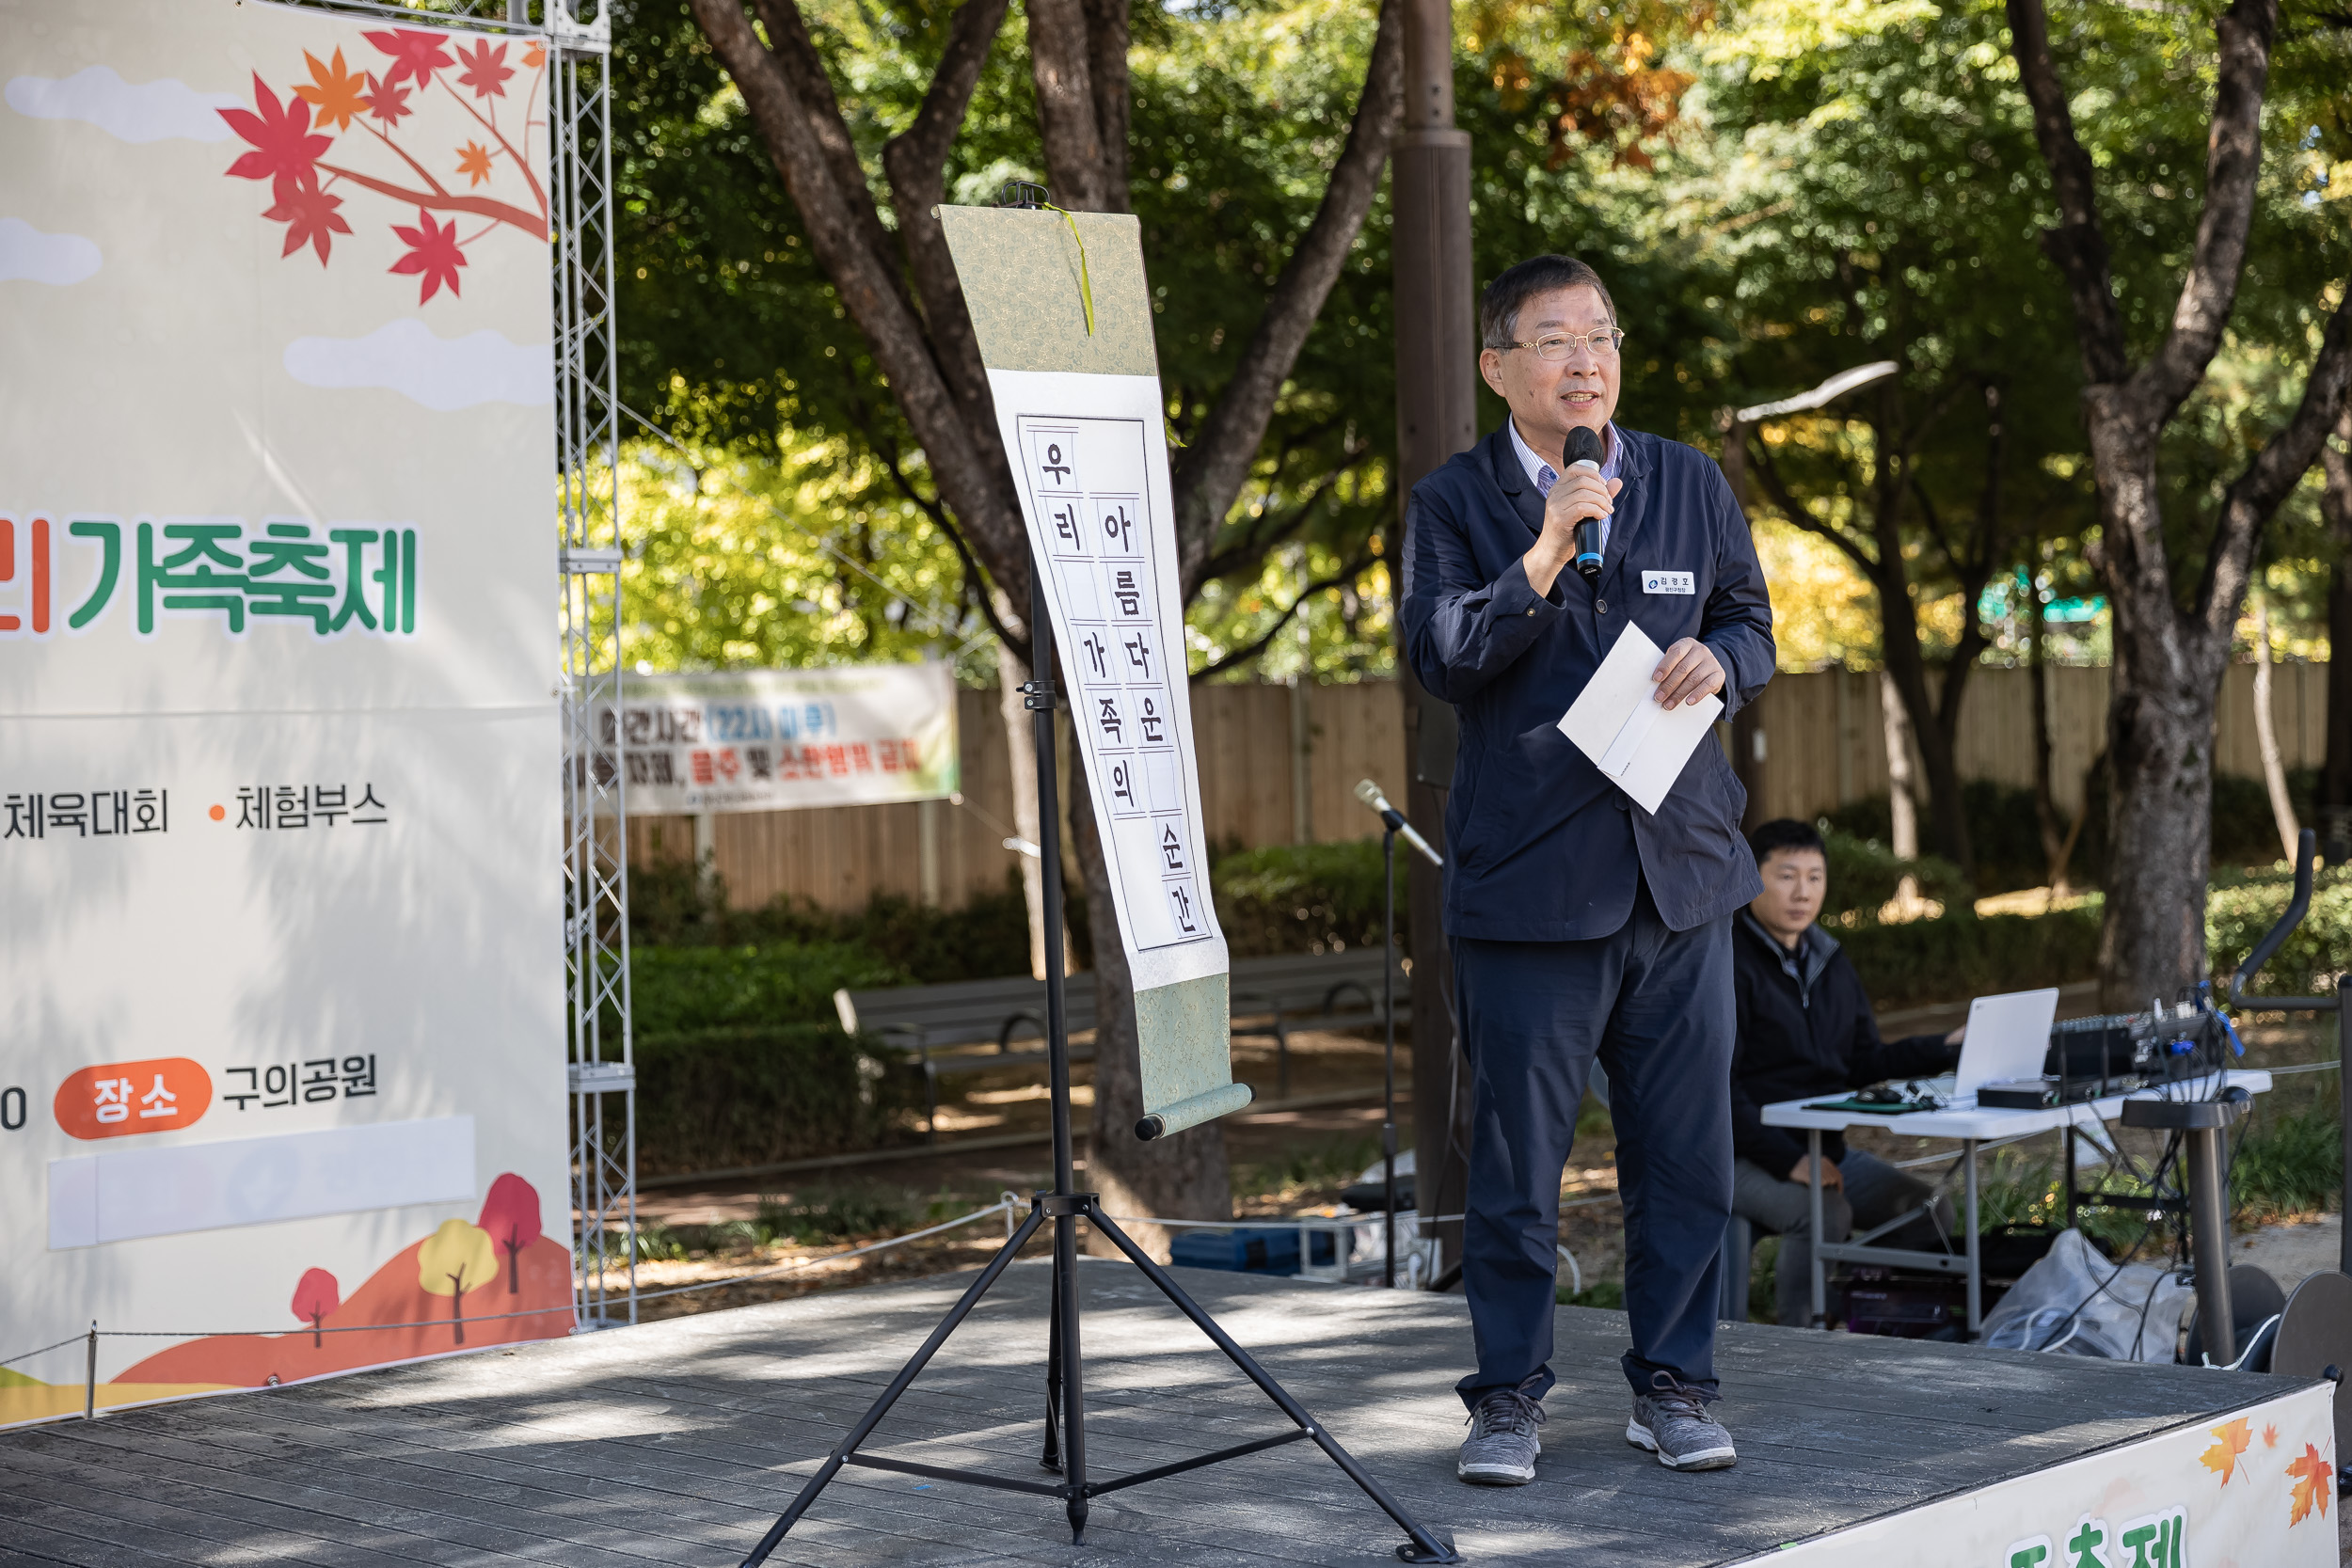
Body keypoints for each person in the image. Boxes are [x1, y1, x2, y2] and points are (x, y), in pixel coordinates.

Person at [1400, 254, 1774, 1484]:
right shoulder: (1454, 502)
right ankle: (1506, 1397)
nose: (1585, 359)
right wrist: (1547, 551)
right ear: (1499, 364)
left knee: (1688, 1161)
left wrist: (1723, 660)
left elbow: (1750, 618)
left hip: (1682, 880)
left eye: (1602, 335)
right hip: (1531, 895)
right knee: (1516, 1167)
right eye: (1555, 338)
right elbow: (1443, 656)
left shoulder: (1686, 479)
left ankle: (1674, 1383)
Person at [1730, 817, 1962, 1328]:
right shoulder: (1725, 960)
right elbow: (1718, 1089)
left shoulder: (1828, 958)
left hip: (1823, 1151)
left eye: (1815, 877)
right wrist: (1789, 1161)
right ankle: (1799, 1342)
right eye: (1787, 875)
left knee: (1927, 1210)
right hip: (1741, 1154)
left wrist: (1944, 1046)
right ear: (1750, 877)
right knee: (1824, 1212)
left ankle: (1861, 1317)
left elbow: (1865, 1063)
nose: (1802, 891)